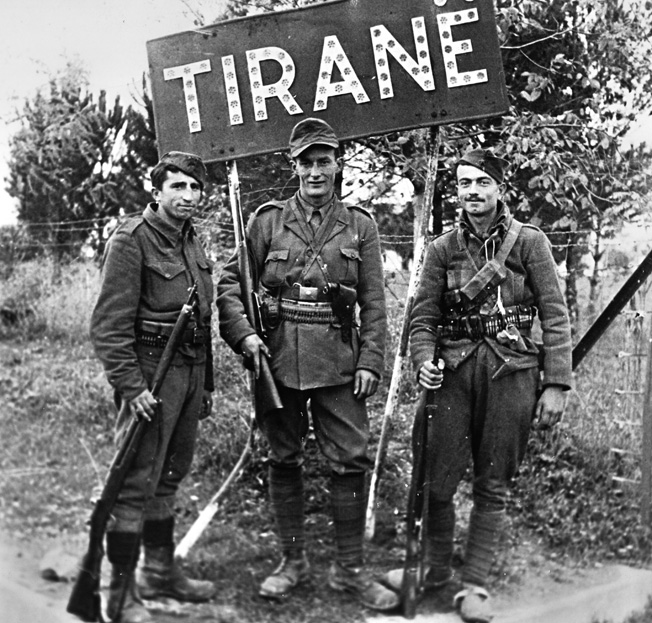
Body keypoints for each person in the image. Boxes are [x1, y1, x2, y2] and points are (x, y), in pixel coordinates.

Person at [216, 118, 399, 611]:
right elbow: (230, 284)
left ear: (338, 165)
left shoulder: (360, 225)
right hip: (279, 358)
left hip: (340, 359)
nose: (315, 171)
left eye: (324, 161)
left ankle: (350, 570)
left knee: (352, 458)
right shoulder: (266, 221)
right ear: (292, 165)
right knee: (283, 456)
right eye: (306, 162)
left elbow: (374, 302)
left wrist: (371, 360)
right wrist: (245, 335)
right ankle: (292, 562)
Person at [384, 148, 572, 622]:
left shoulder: (529, 243)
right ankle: (436, 571)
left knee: (494, 483)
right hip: (452, 375)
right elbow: (423, 316)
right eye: (464, 183)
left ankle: (476, 586)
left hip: (513, 375)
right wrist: (424, 360)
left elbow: (554, 316)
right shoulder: (443, 248)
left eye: (481, 182)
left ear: (499, 188)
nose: (471, 191)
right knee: (437, 478)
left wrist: (556, 385)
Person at [90, 151, 217, 623]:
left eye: (194, 188)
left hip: (187, 373)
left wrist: (206, 385)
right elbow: (108, 325)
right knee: (134, 481)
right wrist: (131, 387)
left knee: (170, 475)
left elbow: (203, 320)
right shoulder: (132, 240)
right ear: (157, 191)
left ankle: (159, 573)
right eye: (177, 187)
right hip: (149, 373)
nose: (187, 196)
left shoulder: (192, 242)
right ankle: (118, 597)